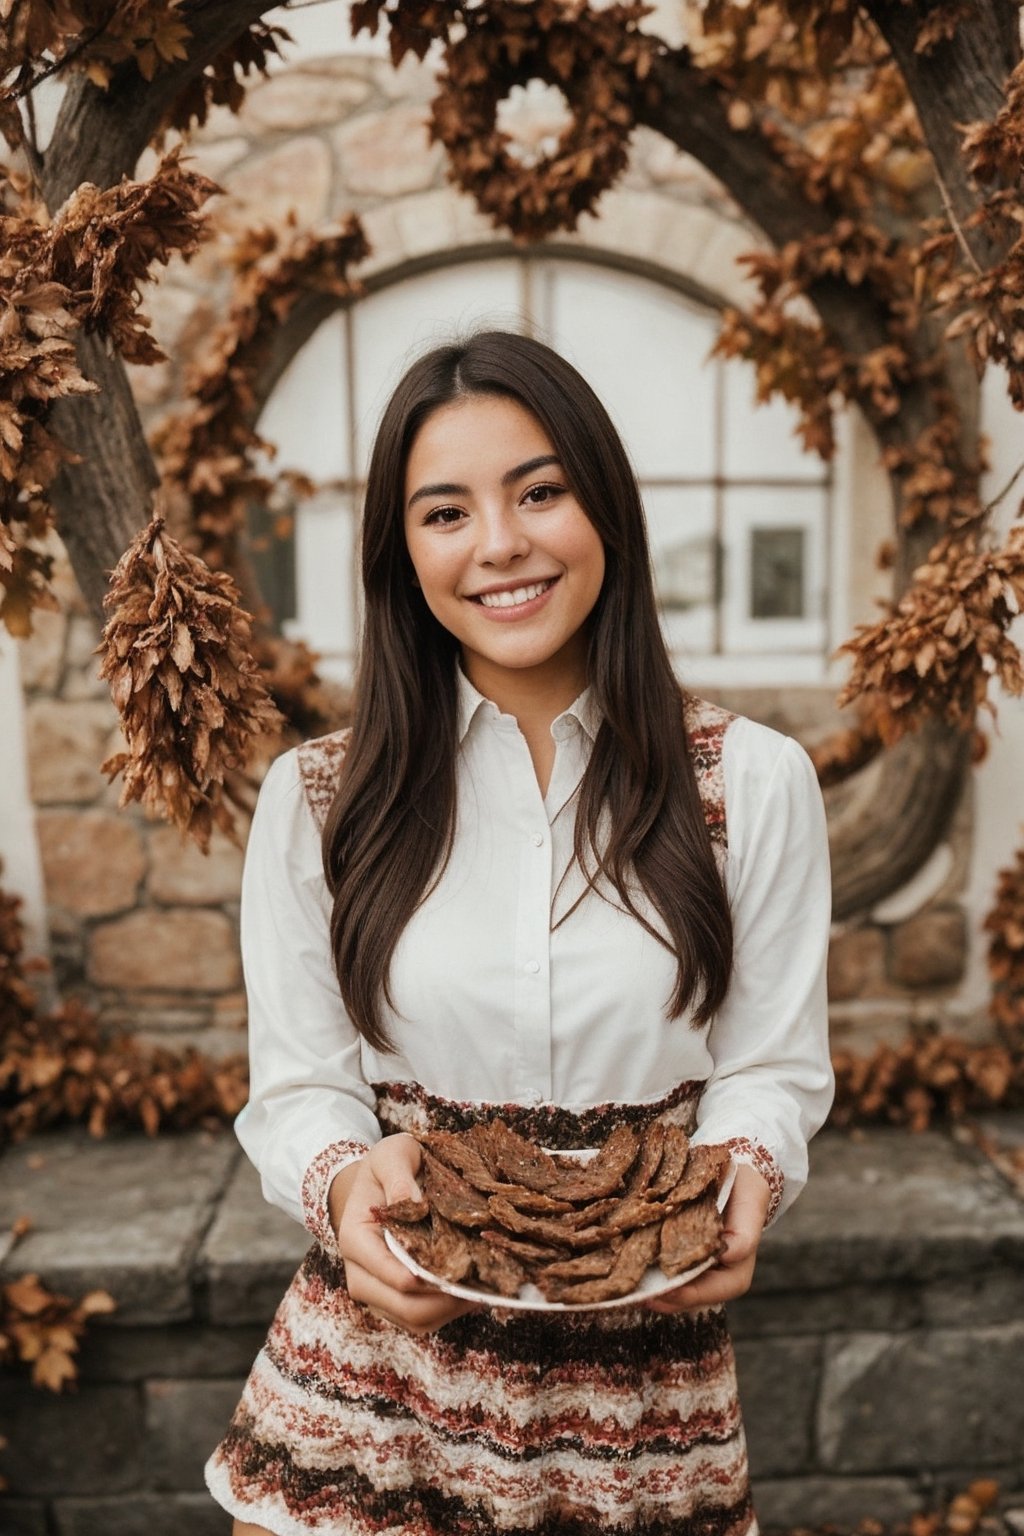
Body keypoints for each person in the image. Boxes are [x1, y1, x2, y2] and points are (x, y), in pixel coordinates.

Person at [205, 329, 833, 1536]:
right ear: (404, 555)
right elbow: (300, 1087)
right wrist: (344, 1191)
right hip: (374, 1383)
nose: (498, 543)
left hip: (643, 1400)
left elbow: (768, 1067)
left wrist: (745, 1171)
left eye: (538, 490)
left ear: (604, 507)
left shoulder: (752, 785)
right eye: (445, 512)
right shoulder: (322, 800)